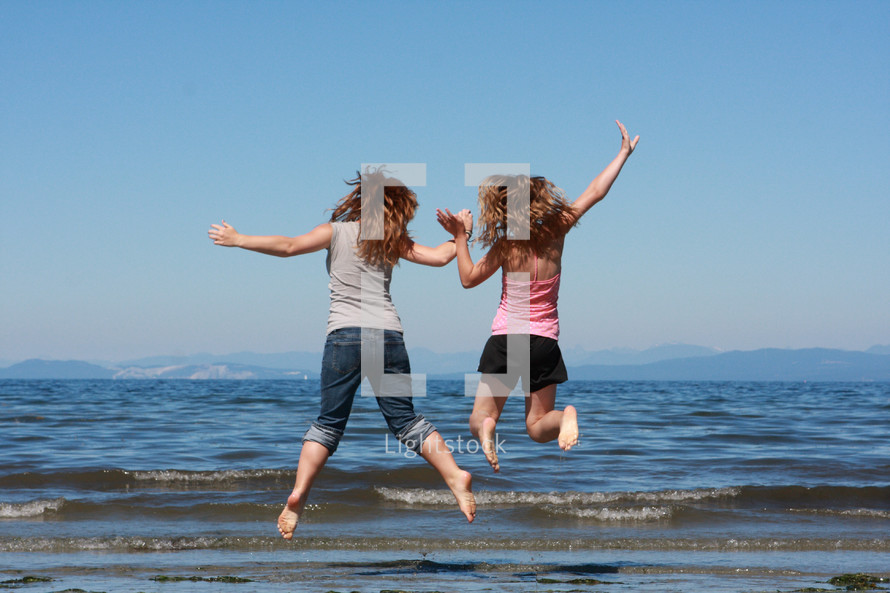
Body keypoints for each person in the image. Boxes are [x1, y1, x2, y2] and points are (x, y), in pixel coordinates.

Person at [208, 169, 476, 539]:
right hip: (387, 336)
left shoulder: (335, 232)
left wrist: (239, 239)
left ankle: (300, 492)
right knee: (405, 421)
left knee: (328, 424)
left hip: (346, 336)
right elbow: (441, 257)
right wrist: (463, 234)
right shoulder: (391, 240)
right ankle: (454, 476)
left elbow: (287, 246)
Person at [437, 121, 639, 472]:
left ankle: (487, 428)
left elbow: (468, 280)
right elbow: (594, 192)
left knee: (481, 416)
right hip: (543, 342)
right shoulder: (556, 229)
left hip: (505, 339)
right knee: (536, 425)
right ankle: (565, 418)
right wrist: (622, 154)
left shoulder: (505, 246)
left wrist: (460, 236)